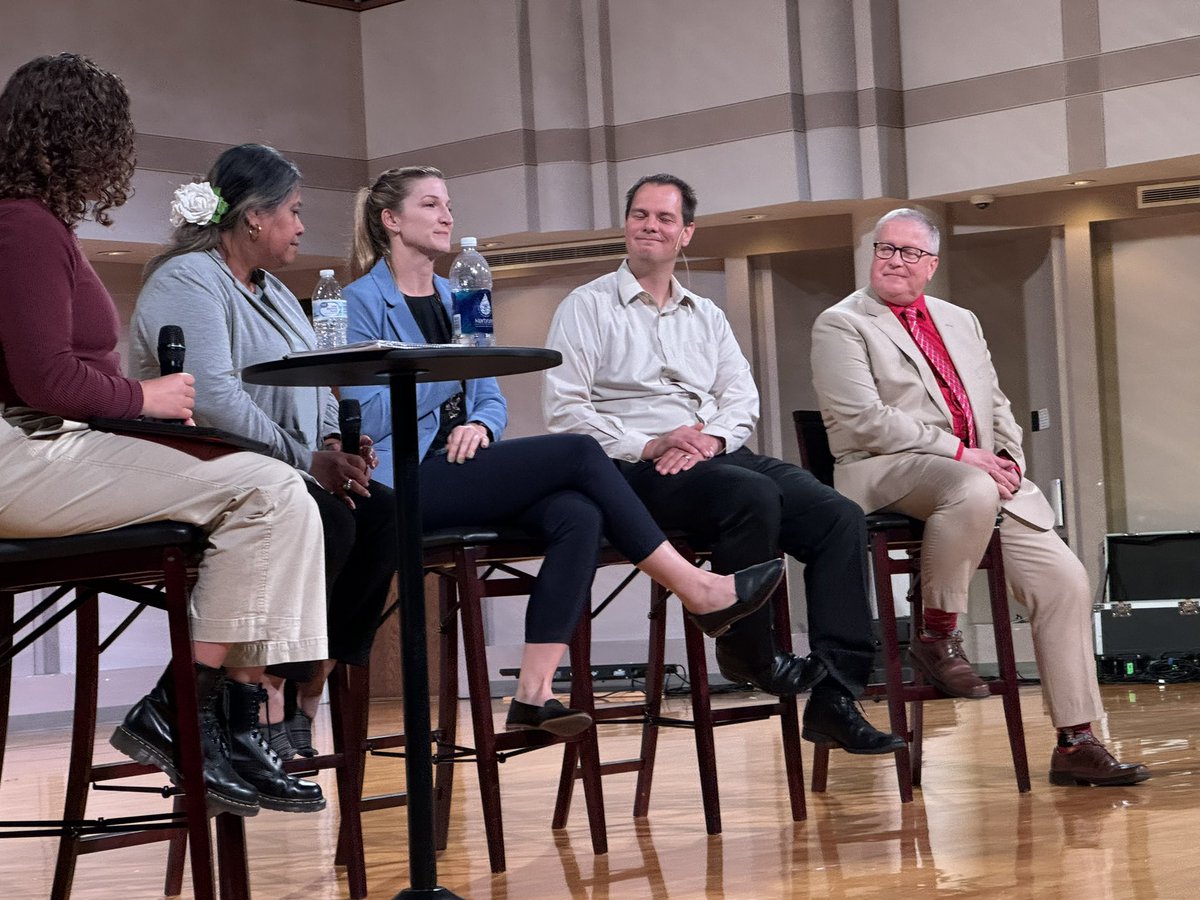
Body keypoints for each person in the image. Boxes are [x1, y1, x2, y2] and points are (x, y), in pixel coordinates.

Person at [342, 166, 785, 736]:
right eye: (430, 205)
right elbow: (368, 413)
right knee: (577, 452)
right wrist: (434, 373)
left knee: (579, 513)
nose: (447, 215)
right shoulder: (356, 301)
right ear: (391, 220)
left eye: (448, 204)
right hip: (399, 478)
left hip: (458, 467)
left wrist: (479, 420)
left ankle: (532, 693)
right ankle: (696, 588)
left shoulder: (461, 296)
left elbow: (491, 397)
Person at [0, 54, 326, 816]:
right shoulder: (21, 227)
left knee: (277, 494)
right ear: (85, 138)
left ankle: (226, 722)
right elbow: (47, 381)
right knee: (270, 490)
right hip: (24, 453)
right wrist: (145, 395)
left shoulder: (35, 224)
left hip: (50, 445)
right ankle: (188, 711)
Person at [544, 174, 903, 755]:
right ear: (627, 225)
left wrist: (706, 440)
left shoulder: (705, 314)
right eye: (640, 214)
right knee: (748, 495)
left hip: (713, 454)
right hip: (633, 469)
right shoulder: (585, 308)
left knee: (839, 514)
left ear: (685, 233)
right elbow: (566, 415)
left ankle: (836, 697)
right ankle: (748, 650)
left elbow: (742, 398)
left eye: (664, 218)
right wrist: (654, 443)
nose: (650, 226)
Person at [810, 207, 1150, 786]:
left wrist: (1010, 463)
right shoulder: (842, 323)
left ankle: (1076, 741)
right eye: (885, 248)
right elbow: (865, 421)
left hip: (974, 482)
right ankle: (938, 635)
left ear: (932, 264)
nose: (894, 260)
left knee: (1065, 582)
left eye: (909, 252)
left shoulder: (958, 319)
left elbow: (994, 405)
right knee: (967, 486)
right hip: (884, 469)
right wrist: (964, 455)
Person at [129, 143, 399, 762]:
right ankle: (255, 694)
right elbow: (216, 398)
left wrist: (334, 440)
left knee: (382, 512)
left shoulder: (275, 289)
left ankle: (308, 687)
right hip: (206, 470)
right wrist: (306, 461)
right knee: (325, 515)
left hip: (285, 464)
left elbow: (314, 378)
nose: (302, 226)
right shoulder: (186, 278)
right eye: (295, 212)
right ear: (255, 217)